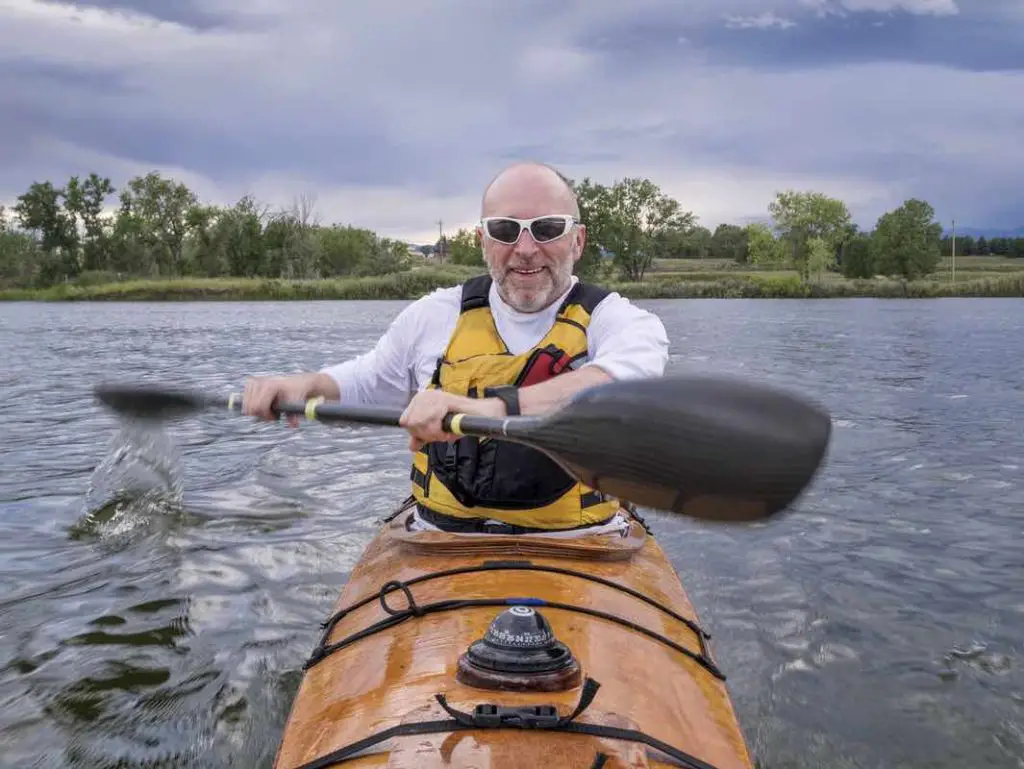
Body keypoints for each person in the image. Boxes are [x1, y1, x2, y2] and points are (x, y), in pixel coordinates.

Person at [243, 161, 669, 536]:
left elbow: (620, 387)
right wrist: (305, 384)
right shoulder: (433, 314)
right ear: (483, 241)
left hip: (582, 543)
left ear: (577, 241)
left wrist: (491, 409)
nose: (524, 249)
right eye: (504, 231)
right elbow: (369, 382)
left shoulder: (619, 320)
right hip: (439, 540)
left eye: (547, 228)